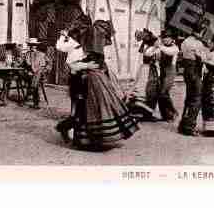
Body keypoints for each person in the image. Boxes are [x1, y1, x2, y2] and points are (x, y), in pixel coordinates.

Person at [56, 16, 139, 149]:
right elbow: (71, 64)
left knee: (88, 109)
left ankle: (84, 135)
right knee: (82, 109)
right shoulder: (78, 41)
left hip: (90, 77)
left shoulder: (93, 43)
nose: (103, 38)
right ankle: (73, 133)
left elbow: (98, 59)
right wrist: (85, 66)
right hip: (79, 78)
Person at [178, 24, 208, 136]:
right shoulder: (198, 43)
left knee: (189, 97)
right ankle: (190, 126)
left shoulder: (185, 42)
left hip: (187, 71)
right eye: (202, 33)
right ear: (198, 32)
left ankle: (182, 124)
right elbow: (202, 58)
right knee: (197, 98)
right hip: (195, 71)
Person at [130, 29, 160, 121]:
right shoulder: (151, 49)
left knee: (145, 90)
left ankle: (142, 112)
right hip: (148, 70)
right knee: (149, 91)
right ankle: (146, 113)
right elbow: (153, 57)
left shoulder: (148, 48)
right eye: (156, 41)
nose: (158, 42)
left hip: (146, 69)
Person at [20, 38, 52, 109]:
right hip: (29, 74)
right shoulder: (26, 54)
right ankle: (35, 101)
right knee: (34, 78)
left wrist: (45, 69)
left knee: (38, 73)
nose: (32, 47)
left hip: (40, 74)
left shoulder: (41, 54)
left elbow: (49, 64)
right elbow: (22, 64)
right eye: (31, 45)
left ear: (36, 46)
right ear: (29, 46)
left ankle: (31, 90)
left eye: (34, 45)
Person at [157, 30, 180, 122]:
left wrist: (158, 45)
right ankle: (166, 116)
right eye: (164, 38)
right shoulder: (162, 47)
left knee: (163, 92)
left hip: (170, 71)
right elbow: (158, 56)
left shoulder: (175, 48)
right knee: (162, 94)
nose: (166, 40)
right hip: (162, 71)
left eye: (168, 38)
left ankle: (173, 111)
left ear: (171, 39)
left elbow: (168, 52)